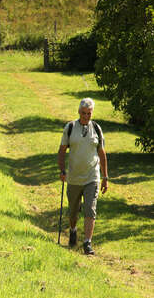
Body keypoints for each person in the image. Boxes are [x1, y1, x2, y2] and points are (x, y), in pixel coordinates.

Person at [58, 98, 108, 255]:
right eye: (84, 113)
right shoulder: (71, 127)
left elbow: (102, 153)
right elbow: (61, 151)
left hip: (92, 176)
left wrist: (105, 177)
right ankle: (73, 230)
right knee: (73, 211)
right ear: (79, 112)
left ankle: (87, 242)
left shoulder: (97, 129)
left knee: (90, 209)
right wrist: (62, 170)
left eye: (89, 113)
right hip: (73, 177)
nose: (87, 116)